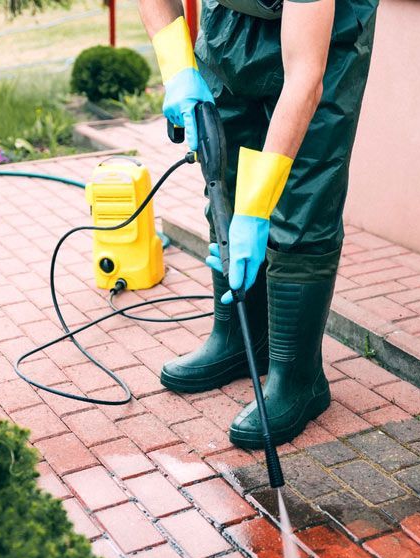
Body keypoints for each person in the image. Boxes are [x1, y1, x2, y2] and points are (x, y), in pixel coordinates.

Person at [140, 0, 378, 449]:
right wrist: (176, 66)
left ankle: (298, 376)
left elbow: (306, 77)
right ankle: (235, 337)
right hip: (231, 17)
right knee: (224, 165)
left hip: (326, 30)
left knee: (304, 191)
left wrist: (257, 211)